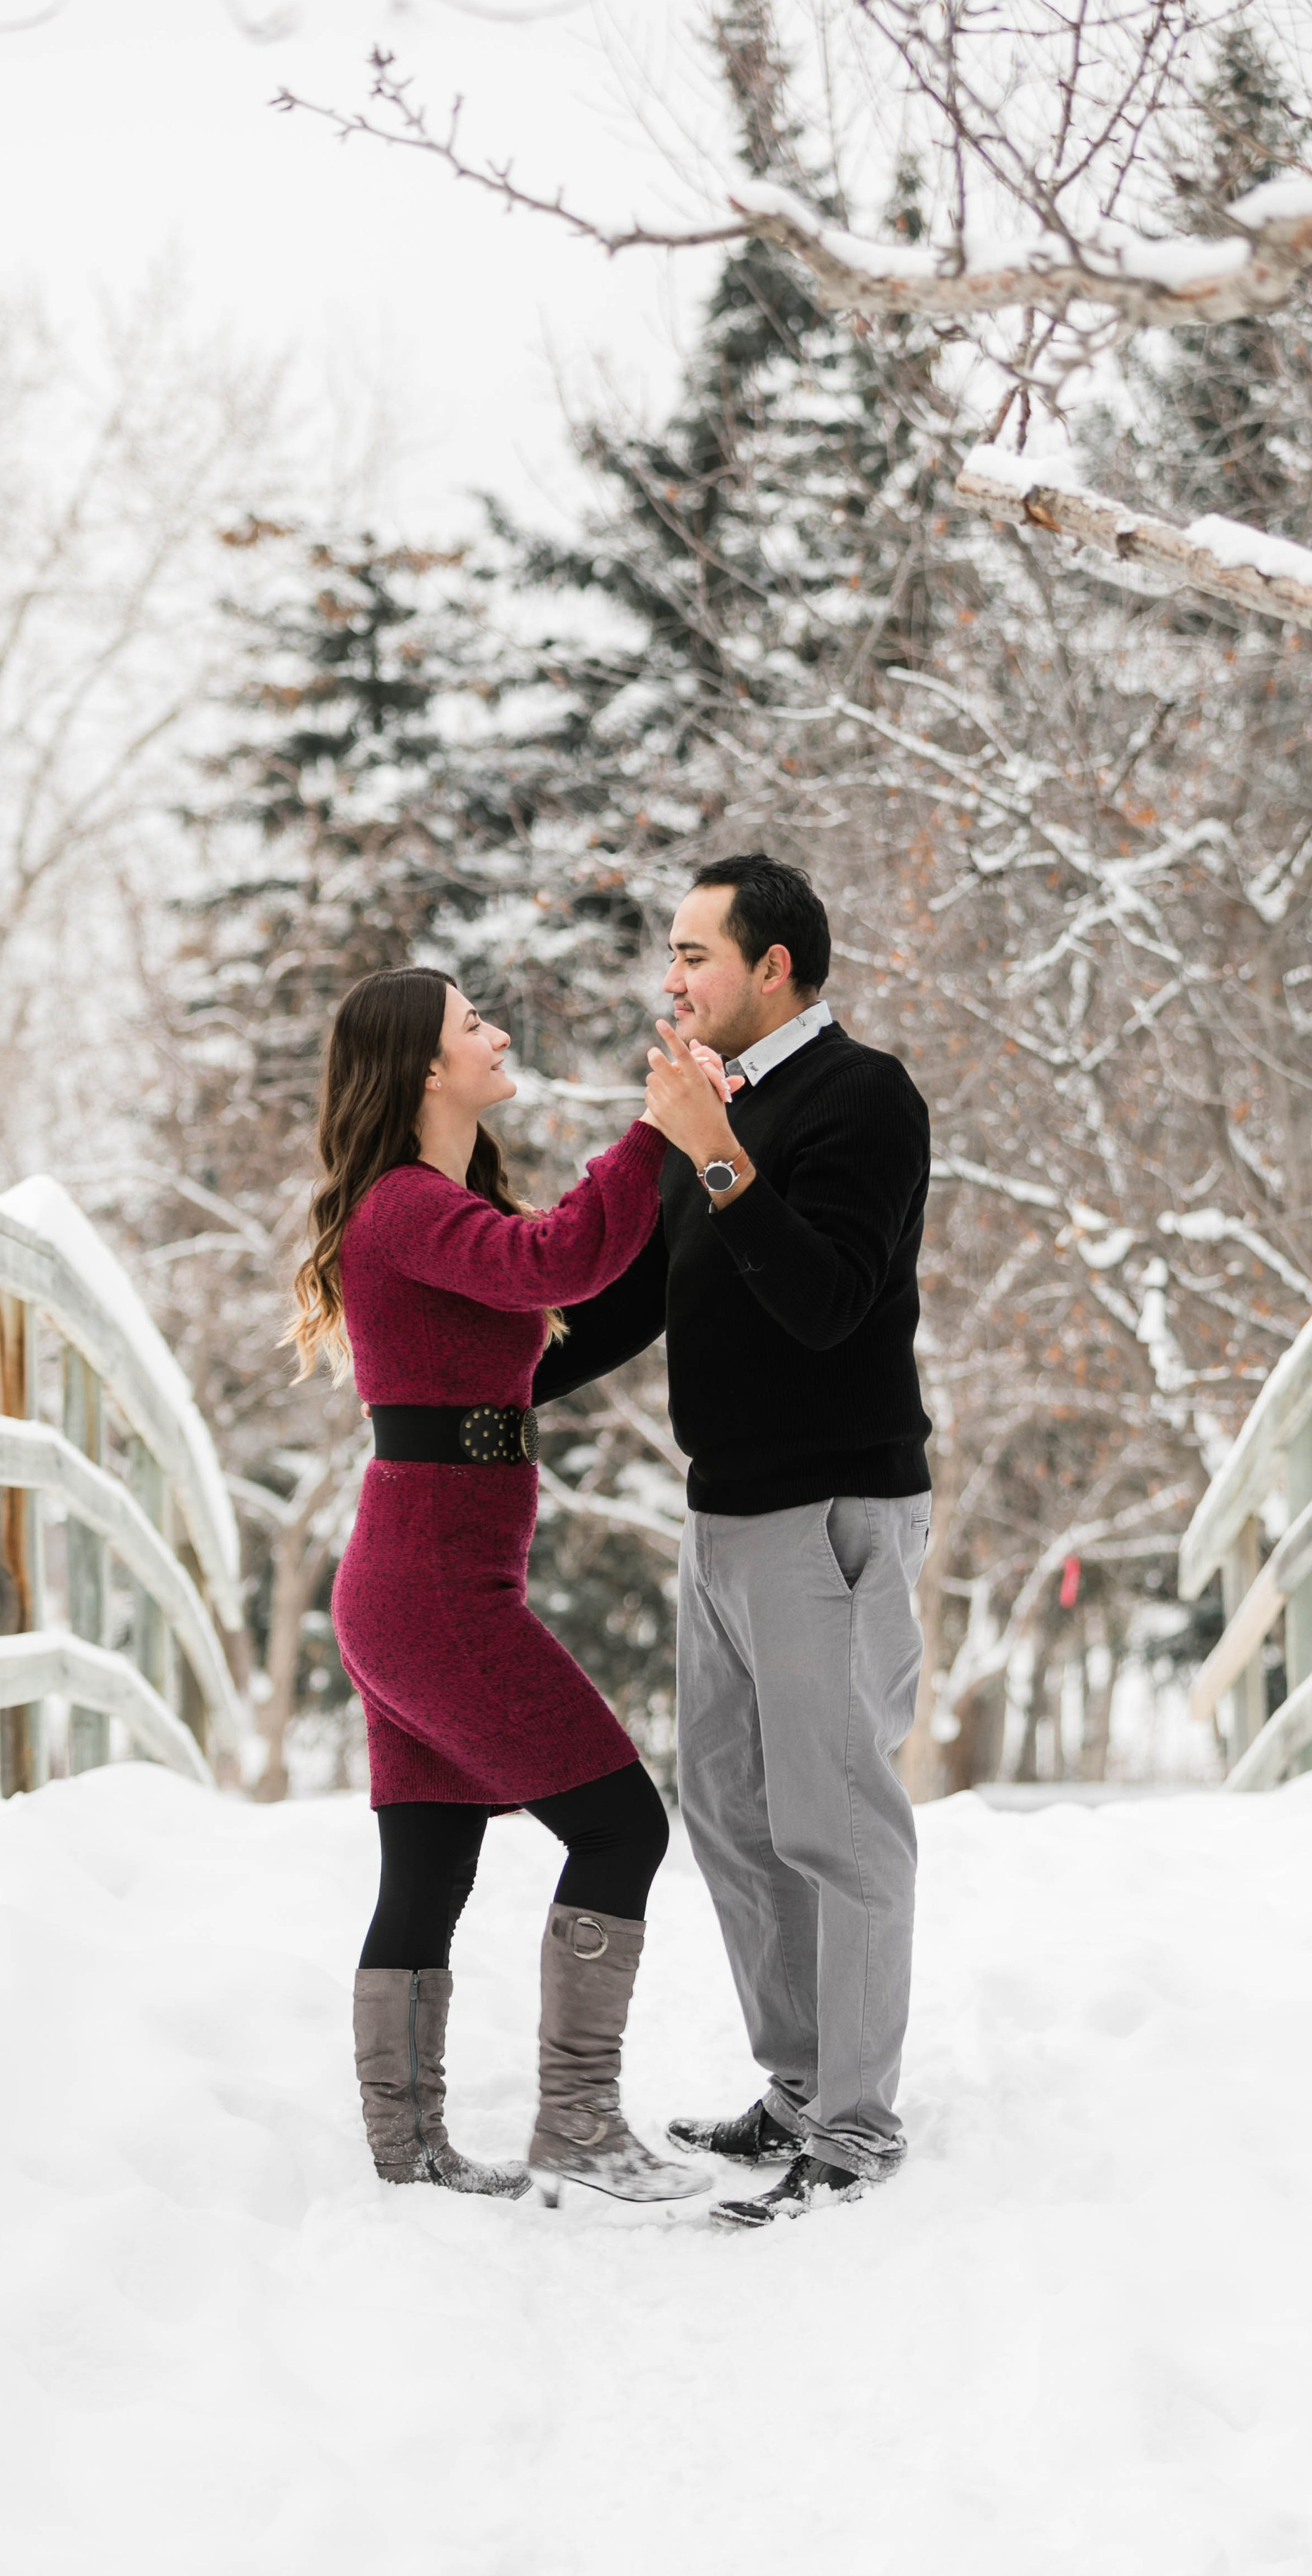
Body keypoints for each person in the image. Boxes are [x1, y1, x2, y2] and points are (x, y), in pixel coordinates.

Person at [535, 854, 932, 2225]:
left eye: (694, 953)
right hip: (721, 1512)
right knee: (729, 1813)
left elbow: (823, 1299)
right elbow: (639, 1295)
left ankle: (859, 2127)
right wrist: (480, 1381)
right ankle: (801, 2082)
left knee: (834, 1821)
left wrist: (708, 1144)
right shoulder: (730, 1106)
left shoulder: (861, 1098)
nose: (672, 980)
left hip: (825, 1510)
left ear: (772, 967)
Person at [290, 965, 709, 2207]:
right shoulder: (402, 1209)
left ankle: (407, 2153)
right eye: (474, 1023)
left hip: (419, 1583)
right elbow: (558, 1259)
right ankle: (577, 2125)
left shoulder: (434, 1206)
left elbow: (583, 1293)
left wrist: (691, 1165)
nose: (498, 1032)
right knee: (623, 1825)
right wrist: (652, 1135)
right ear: (424, 1065)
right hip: (432, 1596)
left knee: (429, 1867)